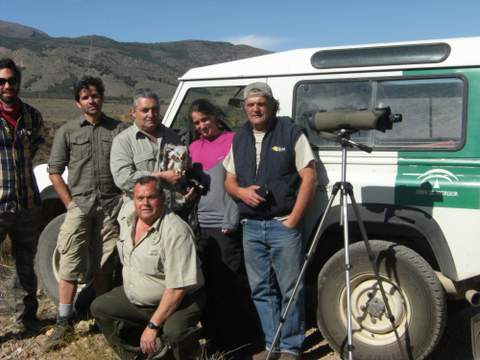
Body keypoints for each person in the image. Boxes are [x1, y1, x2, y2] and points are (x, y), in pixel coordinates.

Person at [223, 82, 317, 360]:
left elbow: (309, 177)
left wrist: (294, 219)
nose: (255, 108)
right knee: (261, 290)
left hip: (282, 225)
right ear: (245, 109)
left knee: (290, 288)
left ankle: (291, 347)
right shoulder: (239, 137)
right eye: (250, 104)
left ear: (271, 106)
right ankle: (272, 344)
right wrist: (240, 192)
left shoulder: (290, 133)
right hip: (250, 227)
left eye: (261, 103)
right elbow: (229, 178)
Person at [43, 76, 128, 350]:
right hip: (79, 205)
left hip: (110, 206)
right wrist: (69, 203)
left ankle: (102, 318)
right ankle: (64, 320)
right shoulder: (67, 132)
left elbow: (128, 165)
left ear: (102, 97)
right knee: (69, 261)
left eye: (95, 95)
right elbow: (54, 170)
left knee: (104, 265)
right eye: (85, 97)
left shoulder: (118, 130)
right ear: (77, 102)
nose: (91, 101)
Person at [90, 176, 205, 360]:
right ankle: (139, 355)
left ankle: (190, 354)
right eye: (140, 198)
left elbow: (177, 289)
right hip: (139, 299)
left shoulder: (176, 232)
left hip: (180, 301)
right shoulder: (128, 217)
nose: (145, 203)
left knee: (175, 332)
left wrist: (152, 327)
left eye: (151, 197)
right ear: (133, 200)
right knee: (101, 307)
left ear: (162, 198)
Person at [188, 99, 261, 355]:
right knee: (206, 284)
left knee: (230, 283)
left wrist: (233, 217)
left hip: (225, 225)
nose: (202, 126)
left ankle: (240, 340)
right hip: (201, 225)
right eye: (197, 122)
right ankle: (214, 337)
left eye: (205, 119)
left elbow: (241, 181)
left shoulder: (233, 140)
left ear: (215, 116)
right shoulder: (193, 148)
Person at [0, 58, 44, 333]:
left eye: (11, 80)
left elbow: (36, 146)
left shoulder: (32, 115)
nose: (7, 86)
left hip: (27, 202)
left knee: (25, 264)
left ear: (18, 82)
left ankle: (26, 321)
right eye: (1, 81)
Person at [110, 88, 187, 218]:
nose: (151, 114)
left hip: (170, 211)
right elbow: (123, 178)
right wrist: (160, 176)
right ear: (133, 113)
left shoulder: (172, 136)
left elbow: (180, 170)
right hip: (138, 213)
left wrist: (182, 181)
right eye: (145, 110)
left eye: (154, 109)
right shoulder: (123, 141)